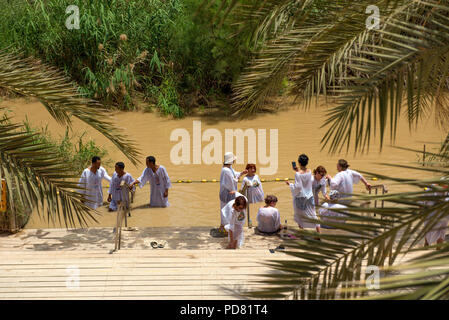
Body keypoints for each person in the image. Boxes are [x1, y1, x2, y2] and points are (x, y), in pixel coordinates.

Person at [286, 154, 321, 233]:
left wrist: (290, 185)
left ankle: (301, 233)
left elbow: (298, 187)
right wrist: (297, 170)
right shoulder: (309, 171)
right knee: (313, 215)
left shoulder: (297, 174)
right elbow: (304, 177)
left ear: (299, 163)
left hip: (301, 197)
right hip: (310, 196)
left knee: (299, 216)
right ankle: (319, 234)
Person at [219, 152, 247, 231]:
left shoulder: (229, 168)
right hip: (227, 193)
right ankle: (224, 227)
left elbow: (234, 174)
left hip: (229, 192)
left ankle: (225, 226)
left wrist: (241, 173)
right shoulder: (226, 171)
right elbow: (230, 183)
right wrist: (237, 179)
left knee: (227, 209)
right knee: (226, 209)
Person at [423, 182, 449, 248]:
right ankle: (426, 244)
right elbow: (423, 199)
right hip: (430, 213)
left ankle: (438, 247)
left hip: (443, 214)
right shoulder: (430, 189)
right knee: (429, 228)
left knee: (441, 230)